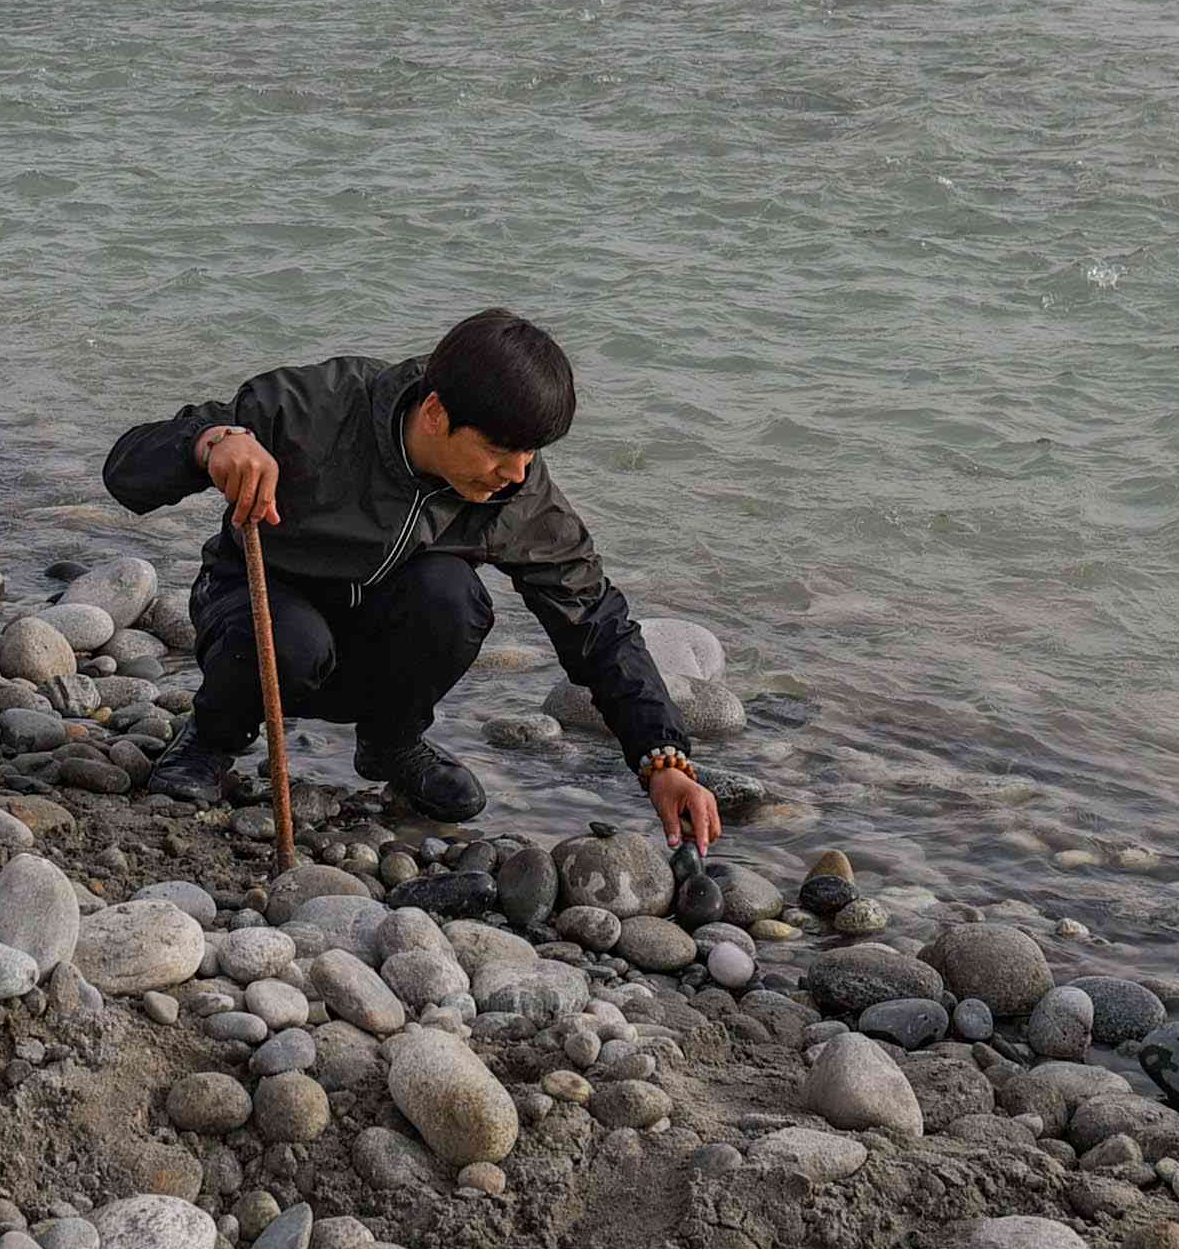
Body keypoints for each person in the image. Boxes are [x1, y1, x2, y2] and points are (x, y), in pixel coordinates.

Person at [105, 308, 724, 850]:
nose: (516, 473)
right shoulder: (312, 409)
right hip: (261, 619)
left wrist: (661, 758)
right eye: (500, 451)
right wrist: (212, 444)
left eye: (531, 454)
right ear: (435, 412)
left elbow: (595, 620)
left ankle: (392, 744)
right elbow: (126, 469)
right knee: (293, 641)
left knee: (454, 598)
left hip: (377, 644)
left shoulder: (515, 494)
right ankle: (213, 737)